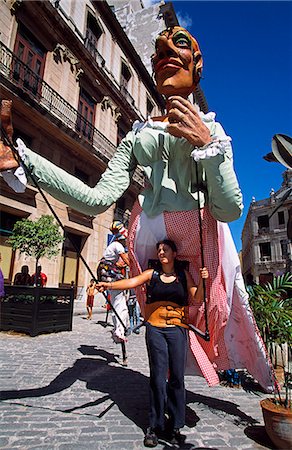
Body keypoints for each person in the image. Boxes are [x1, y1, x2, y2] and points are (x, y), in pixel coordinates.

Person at [0, 27, 275, 393]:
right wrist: (23, 158)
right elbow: (96, 199)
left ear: (198, 64)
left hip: (201, 238)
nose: (165, 52)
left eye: (178, 44)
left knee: (214, 313)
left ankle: (201, 386)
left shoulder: (213, 130)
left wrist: (208, 145)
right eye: (158, 52)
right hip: (150, 239)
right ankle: (164, 396)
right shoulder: (137, 135)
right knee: (164, 319)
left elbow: (228, 209)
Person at [97, 239, 209, 446]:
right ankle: (154, 426)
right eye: (158, 249)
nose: (161, 252)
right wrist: (109, 284)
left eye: (165, 249)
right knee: (157, 378)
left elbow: (197, 298)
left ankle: (175, 425)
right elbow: (131, 282)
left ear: (174, 253)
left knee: (177, 378)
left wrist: (203, 280)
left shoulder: (183, 275)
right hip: (155, 329)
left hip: (177, 330)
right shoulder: (152, 274)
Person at [97, 224, 130, 344]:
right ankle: (119, 330)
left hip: (107, 272)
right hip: (108, 273)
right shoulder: (117, 245)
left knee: (118, 302)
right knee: (119, 301)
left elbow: (120, 263)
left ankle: (119, 328)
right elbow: (126, 260)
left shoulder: (112, 246)